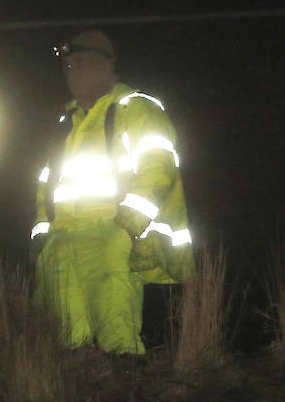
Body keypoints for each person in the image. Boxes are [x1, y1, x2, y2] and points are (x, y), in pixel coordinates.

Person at [31, 29, 195, 354]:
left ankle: (126, 389)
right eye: (68, 67)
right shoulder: (67, 120)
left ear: (104, 65)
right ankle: (82, 393)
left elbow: (157, 166)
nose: (72, 72)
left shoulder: (134, 107)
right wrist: (43, 234)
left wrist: (128, 226)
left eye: (80, 64)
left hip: (111, 232)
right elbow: (48, 182)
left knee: (116, 329)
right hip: (63, 240)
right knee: (67, 336)